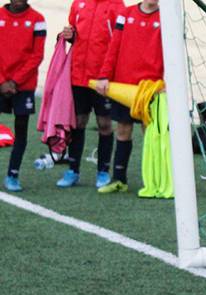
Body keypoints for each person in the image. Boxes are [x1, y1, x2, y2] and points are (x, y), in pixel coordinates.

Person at [93, 0, 163, 195]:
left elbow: (171, 53)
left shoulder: (166, 17)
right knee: (123, 130)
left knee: (151, 135)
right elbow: (114, 46)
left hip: (150, 88)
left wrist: (166, 82)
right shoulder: (126, 13)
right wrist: (104, 75)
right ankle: (119, 180)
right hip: (124, 85)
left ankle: (155, 182)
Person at [56, 0, 125, 189]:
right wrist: (69, 36)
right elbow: (74, 34)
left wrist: (109, 75)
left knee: (104, 124)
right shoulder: (79, 3)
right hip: (78, 76)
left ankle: (103, 171)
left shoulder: (117, 6)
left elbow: (119, 41)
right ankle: (73, 170)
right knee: (78, 122)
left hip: (103, 78)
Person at [0, 0, 46, 192]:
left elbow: (37, 55)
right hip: (0, 81)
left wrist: (15, 81)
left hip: (24, 85)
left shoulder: (38, 19)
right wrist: (2, 80)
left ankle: (13, 175)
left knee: (21, 129)